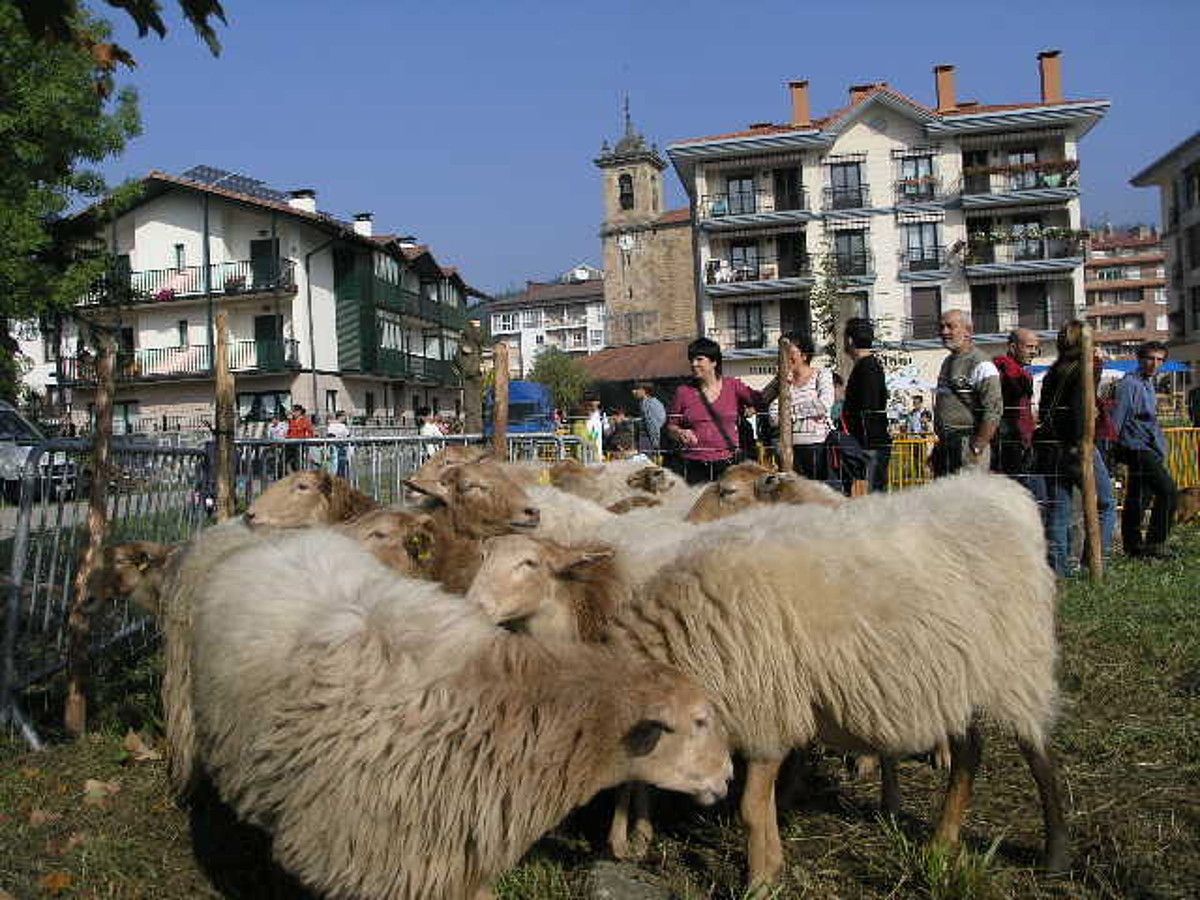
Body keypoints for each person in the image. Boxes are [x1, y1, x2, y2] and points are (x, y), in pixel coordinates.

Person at [1035, 321, 1116, 576]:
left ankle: (1059, 569)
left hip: (1052, 446)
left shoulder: (1053, 371)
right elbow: (1083, 407)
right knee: (1105, 503)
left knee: (1059, 509)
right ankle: (1094, 559)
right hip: (1077, 445)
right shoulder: (1083, 370)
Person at [1111, 340, 1178, 559]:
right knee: (1167, 490)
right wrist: (1112, 448)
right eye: (1150, 358)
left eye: (1159, 360)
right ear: (1140, 359)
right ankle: (1155, 543)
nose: (1154, 364)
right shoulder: (1129, 384)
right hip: (1134, 445)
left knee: (1139, 496)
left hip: (1148, 446)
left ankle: (1134, 546)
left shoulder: (1148, 384)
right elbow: (1117, 417)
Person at [665, 337, 762, 484]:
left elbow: (761, 399)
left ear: (714, 362)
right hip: (694, 465)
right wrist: (679, 432)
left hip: (729, 464)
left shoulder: (733, 386)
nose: (693, 364)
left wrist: (753, 407)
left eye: (699, 359)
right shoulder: (683, 392)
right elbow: (671, 426)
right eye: (691, 360)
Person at [932, 309, 1002, 476]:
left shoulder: (981, 363)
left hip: (968, 442)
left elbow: (994, 408)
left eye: (950, 327)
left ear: (968, 331)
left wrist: (977, 447)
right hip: (947, 444)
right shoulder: (947, 362)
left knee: (969, 500)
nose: (944, 332)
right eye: (942, 327)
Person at [767, 332, 833, 482]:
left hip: (817, 446)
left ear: (804, 355)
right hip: (787, 450)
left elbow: (824, 404)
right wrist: (784, 385)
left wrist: (791, 414)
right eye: (781, 353)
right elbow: (773, 416)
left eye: (789, 352)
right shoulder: (782, 383)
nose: (785, 358)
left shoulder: (821, 375)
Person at [841, 318, 892, 493]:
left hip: (870, 445)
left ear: (849, 340)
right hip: (870, 443)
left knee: (873, 497)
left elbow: (868, 409)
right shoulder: (869, 365)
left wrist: (860, 446)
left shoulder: (867, 367)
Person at [992, 328, 1042, 498]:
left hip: (1017, 441)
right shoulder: (1004, 371)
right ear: (1013, 347)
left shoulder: (1018, 372)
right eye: (1029, 347)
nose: (1034, 352)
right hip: (1009, 443)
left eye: (1036, 347)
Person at [631, 382, 666, 455]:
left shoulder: (650, 403)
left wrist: (655, 443)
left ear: (644, 390)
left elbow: (652, 424)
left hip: (649, 439)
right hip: (646, 438)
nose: (633, 391)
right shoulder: (644, 402)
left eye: (637, 389)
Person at [285, 404, 314, 471]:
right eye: (293, 411)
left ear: (300, 412)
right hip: (290, 444)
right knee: (286, 461)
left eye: (295, 411)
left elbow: (310, 432)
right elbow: (289, 432)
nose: (294, 413)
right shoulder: (292, 421)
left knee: (298, 462)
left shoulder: (305, 421)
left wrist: (306, 440)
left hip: (300, 444)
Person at [326, 409, 352, 478]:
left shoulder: (331, 425)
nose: (346, 418)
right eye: (344, 416)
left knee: (337, 467)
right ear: (341, 417)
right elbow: (348, 435)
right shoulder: (339, 426)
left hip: (337, 448)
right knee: (338, 467)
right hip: (338, 448)